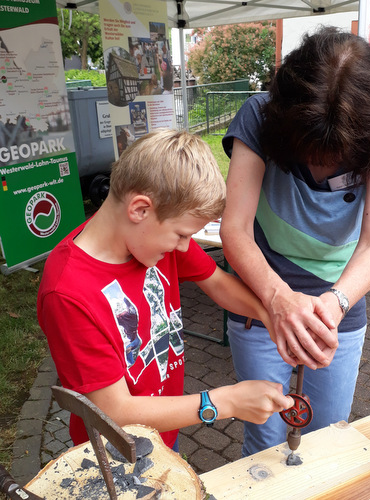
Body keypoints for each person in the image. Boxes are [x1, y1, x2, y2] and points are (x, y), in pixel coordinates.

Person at [220, 26, 370, 456]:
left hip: (340, 303)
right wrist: (278, 299)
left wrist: (333, 304)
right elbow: (234, 230)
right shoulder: (259, 114)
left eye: (335, 155)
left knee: (329, 437)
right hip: (258, 299)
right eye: (307, 149)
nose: (317, 165)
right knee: (265, 438)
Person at [37, 128, 293, 451]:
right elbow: (116, 410)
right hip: (112, 459)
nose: (186, 246)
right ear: (140, 209)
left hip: (160, 437)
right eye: (182, 234)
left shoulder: (153, 238)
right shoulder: (67, 293)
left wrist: (270, 316)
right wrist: (223, 401)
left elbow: (216, 282)